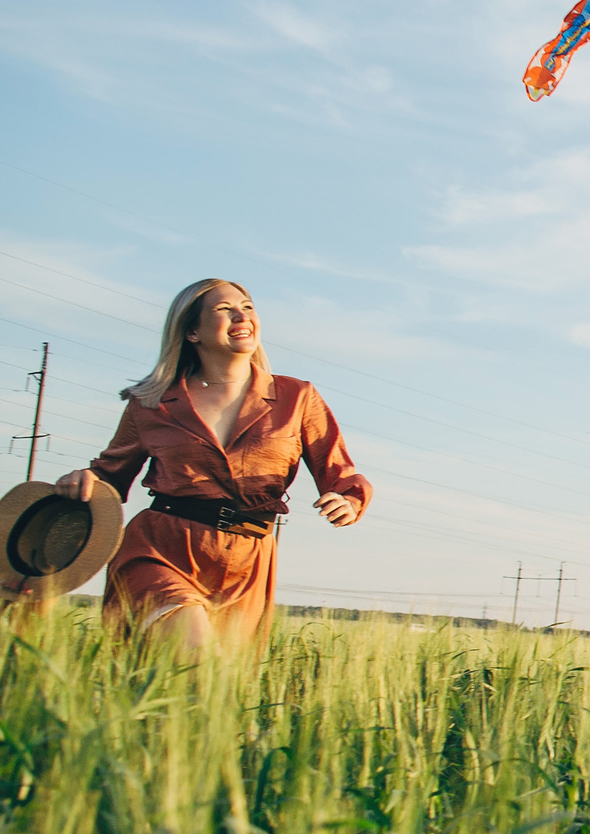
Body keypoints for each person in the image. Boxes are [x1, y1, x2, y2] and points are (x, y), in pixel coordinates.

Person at [55, 278, 371, 650]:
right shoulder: (151, 403)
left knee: (206, 695)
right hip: (162, 549)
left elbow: (339, 473)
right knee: (194, 654)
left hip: (247, 562)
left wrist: (348, 501)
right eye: (225, 309)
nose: (242, 315)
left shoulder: (297, 397)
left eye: (248, 307)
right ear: (191, 331)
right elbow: (109, 476)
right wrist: (82, 480)